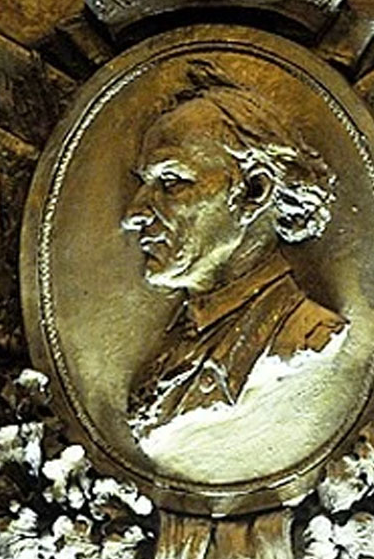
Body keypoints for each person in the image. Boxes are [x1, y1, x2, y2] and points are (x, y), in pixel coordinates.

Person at [122, 62, 348, 442]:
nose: (134, 215)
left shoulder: (308, 336)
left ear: (254, 191)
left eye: (171, 181)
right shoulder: (181, 335)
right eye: (145, 184)